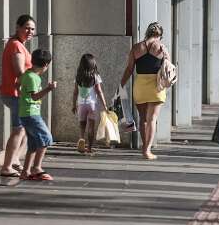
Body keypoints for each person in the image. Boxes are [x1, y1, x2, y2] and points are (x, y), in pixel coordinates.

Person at [120, 22, 169, 160]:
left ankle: (144, 147)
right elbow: (169, 68)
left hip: (140, 85)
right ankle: (147, 150)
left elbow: (129, 69)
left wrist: (122, 84)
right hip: (156, 86)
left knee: (143, 119)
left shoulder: (136, 48)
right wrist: (165, 55)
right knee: (152, 119)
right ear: (159, 35)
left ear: (147, 32)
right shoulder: (161, 48)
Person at [0, 15, 36, 177]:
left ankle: (14, 161)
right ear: (18, 27)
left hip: (17, 94)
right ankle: (6, 166)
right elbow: (20, 72)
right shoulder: (16, 46)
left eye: (33, 29)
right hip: (15, 94)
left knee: (25, 130)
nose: (30, 31)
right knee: (18, 130)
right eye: (27, 27)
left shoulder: (18, 44)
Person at [19, 49, 57, 181]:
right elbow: (34, 96)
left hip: (26, 113)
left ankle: (25, 172)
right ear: (46, 64)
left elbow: (18, 85)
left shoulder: (27, 75)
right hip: (31, 114)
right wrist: (49, 88)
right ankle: (37, 167)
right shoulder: (32, 77)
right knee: (46, 138)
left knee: (33, 144)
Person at [72, 54, 109, 154]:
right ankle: (89, 148)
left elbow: (75, 92)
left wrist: (73, 104)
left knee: (82, 125)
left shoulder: (78, 77)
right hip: (92, 104)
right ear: (93, 64)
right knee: (91, 127)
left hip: (81, 104)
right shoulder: (95, 76)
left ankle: (81, 138)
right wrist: (105, 105)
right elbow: (99, 91)